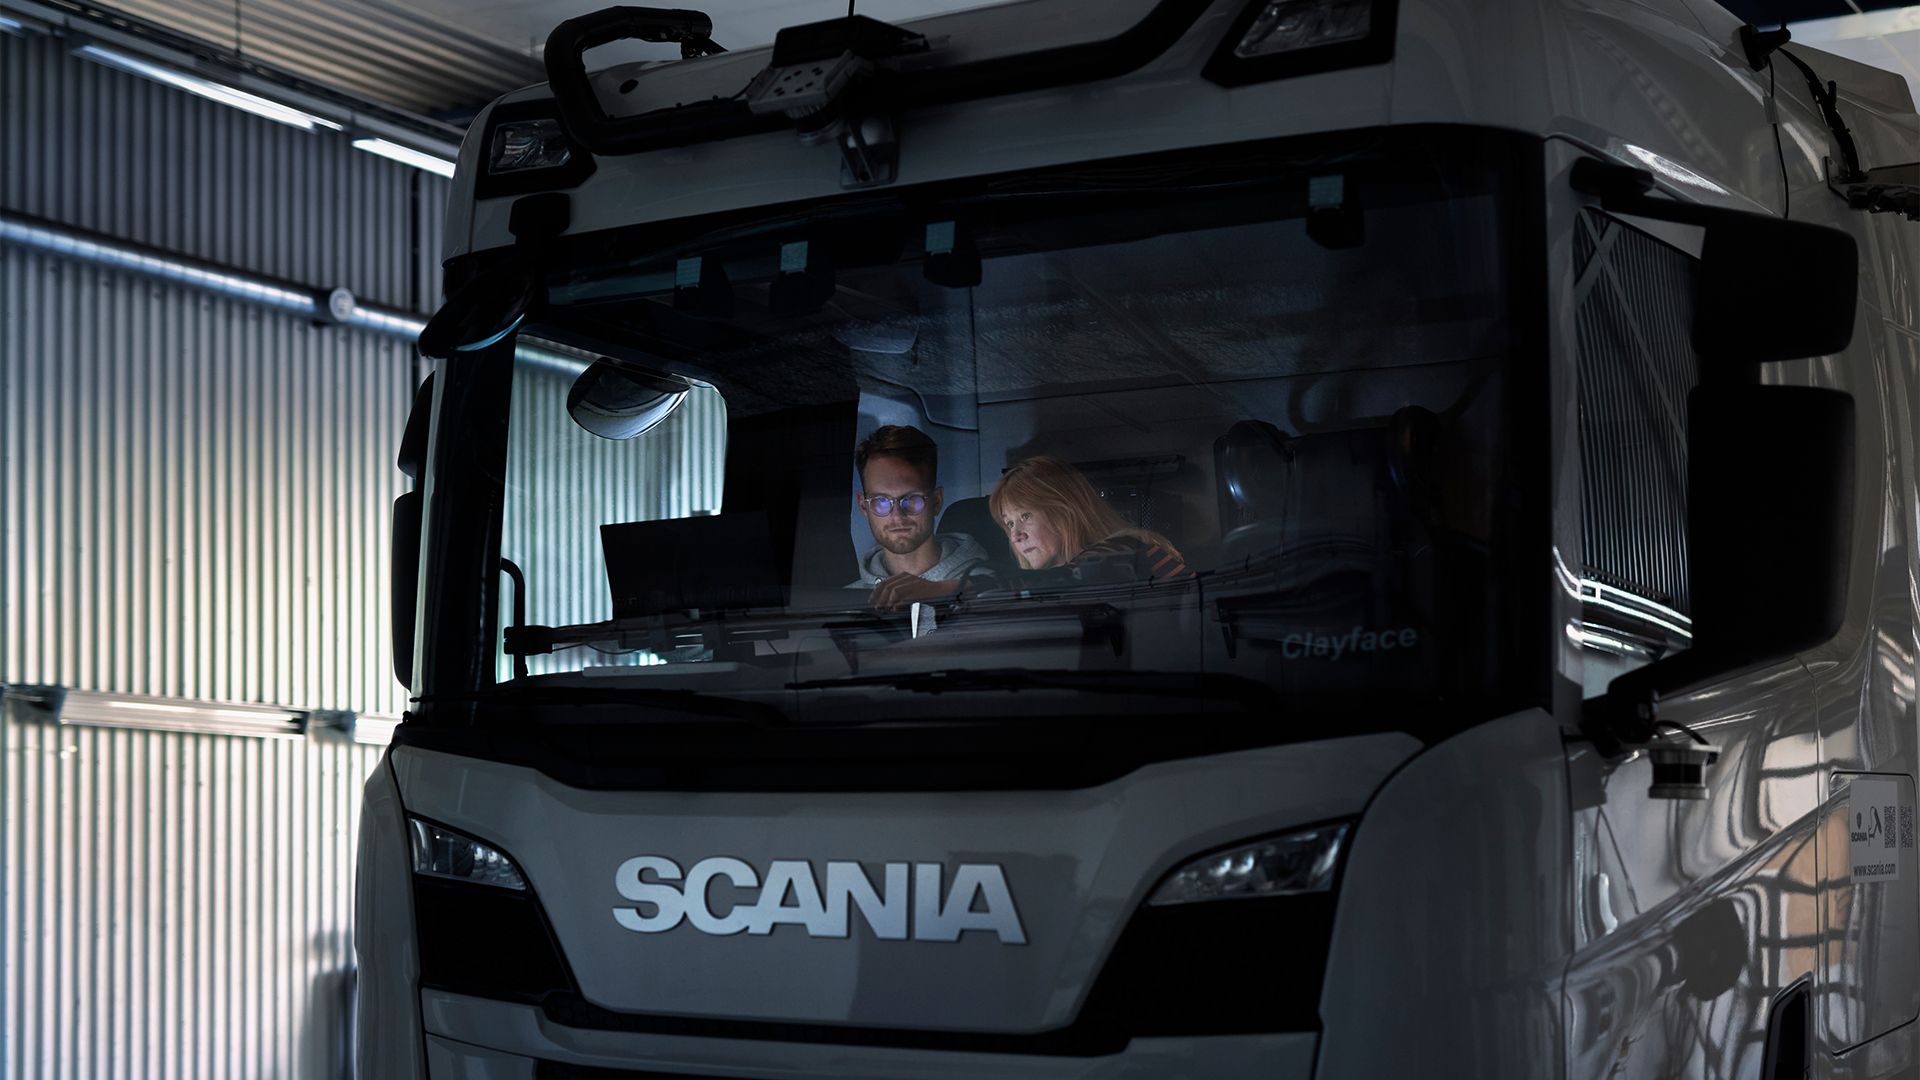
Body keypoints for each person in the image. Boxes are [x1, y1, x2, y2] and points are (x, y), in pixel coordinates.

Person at [987, 455, 1190, 584]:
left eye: (1026, 515)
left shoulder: (1125, 548)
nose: (1015, 536)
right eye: (1009, 523)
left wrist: (971, 585)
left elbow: (1070, 577)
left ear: (1065, 512)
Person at [851, 424, 991, 608]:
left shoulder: (990, 589)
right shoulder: (846, 602)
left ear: (936, 501)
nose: (897, 516)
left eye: (911, 499)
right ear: (863, 506)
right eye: (882, 501)